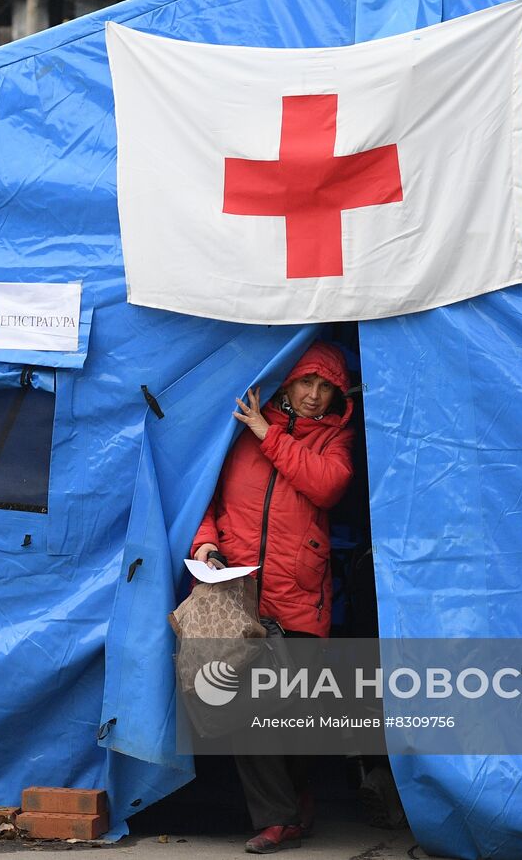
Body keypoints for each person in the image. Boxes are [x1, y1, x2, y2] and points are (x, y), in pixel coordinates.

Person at [189, 340, 355, 854]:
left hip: (299, 594)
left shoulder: (334, 436)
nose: (314, 395)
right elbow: (203, 493)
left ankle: (298, 796)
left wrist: (268, 433)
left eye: (326, 387)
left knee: (298, 712)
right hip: (239, 591)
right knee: (246, 707)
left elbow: (329, 485)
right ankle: (277, 818)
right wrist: (204, 542)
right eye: (307, 382)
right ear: (288, 380)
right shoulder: (238, 428)